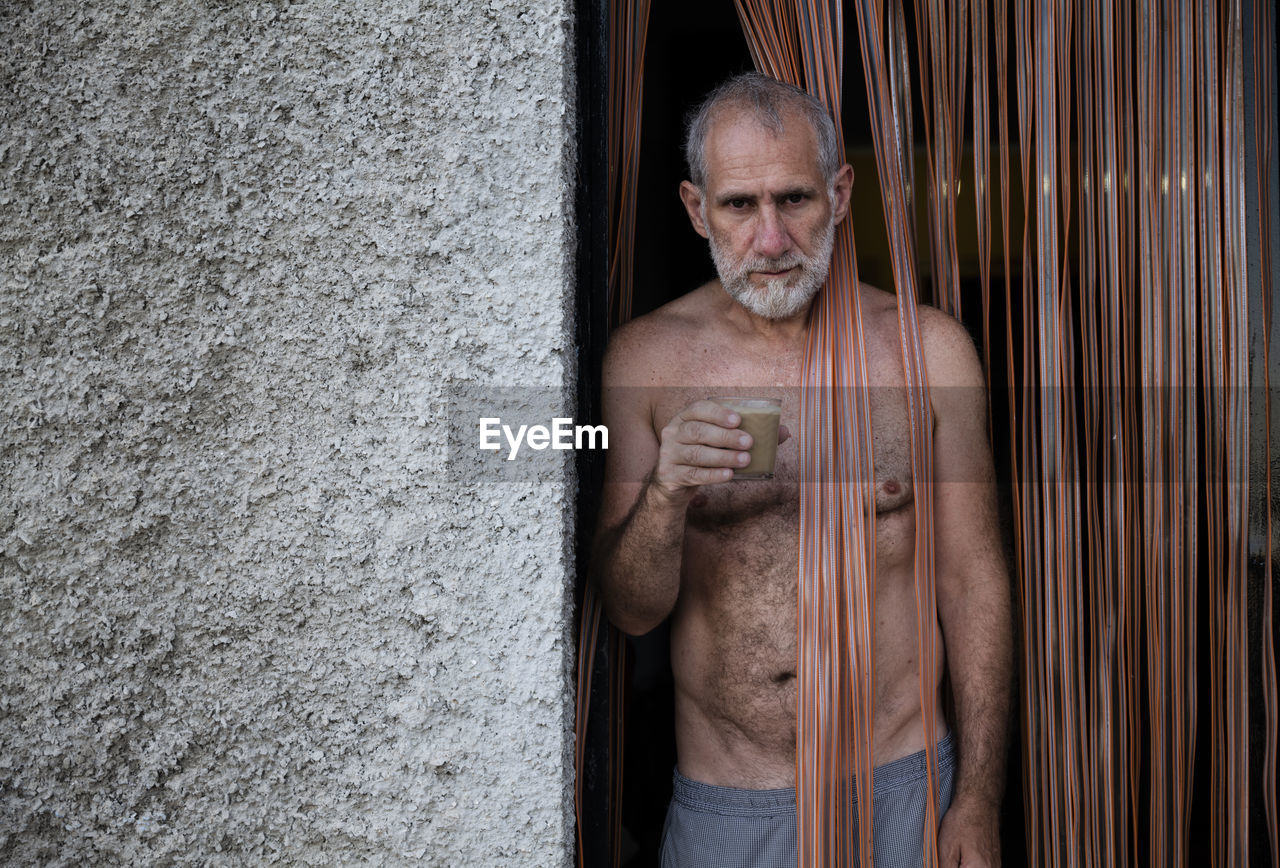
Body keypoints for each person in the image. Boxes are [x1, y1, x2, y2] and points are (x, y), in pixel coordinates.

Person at [590, 73, 1011, 867]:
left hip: (904, 788)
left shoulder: (928, 353)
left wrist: (979, 800)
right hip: (731, 808)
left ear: (841, 193)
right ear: (694, 209)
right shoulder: (647, 360)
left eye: (794, 199)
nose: (772, 240)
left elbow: (972, 582)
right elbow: (631, 612)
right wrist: (667, 493)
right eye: (739, 206)